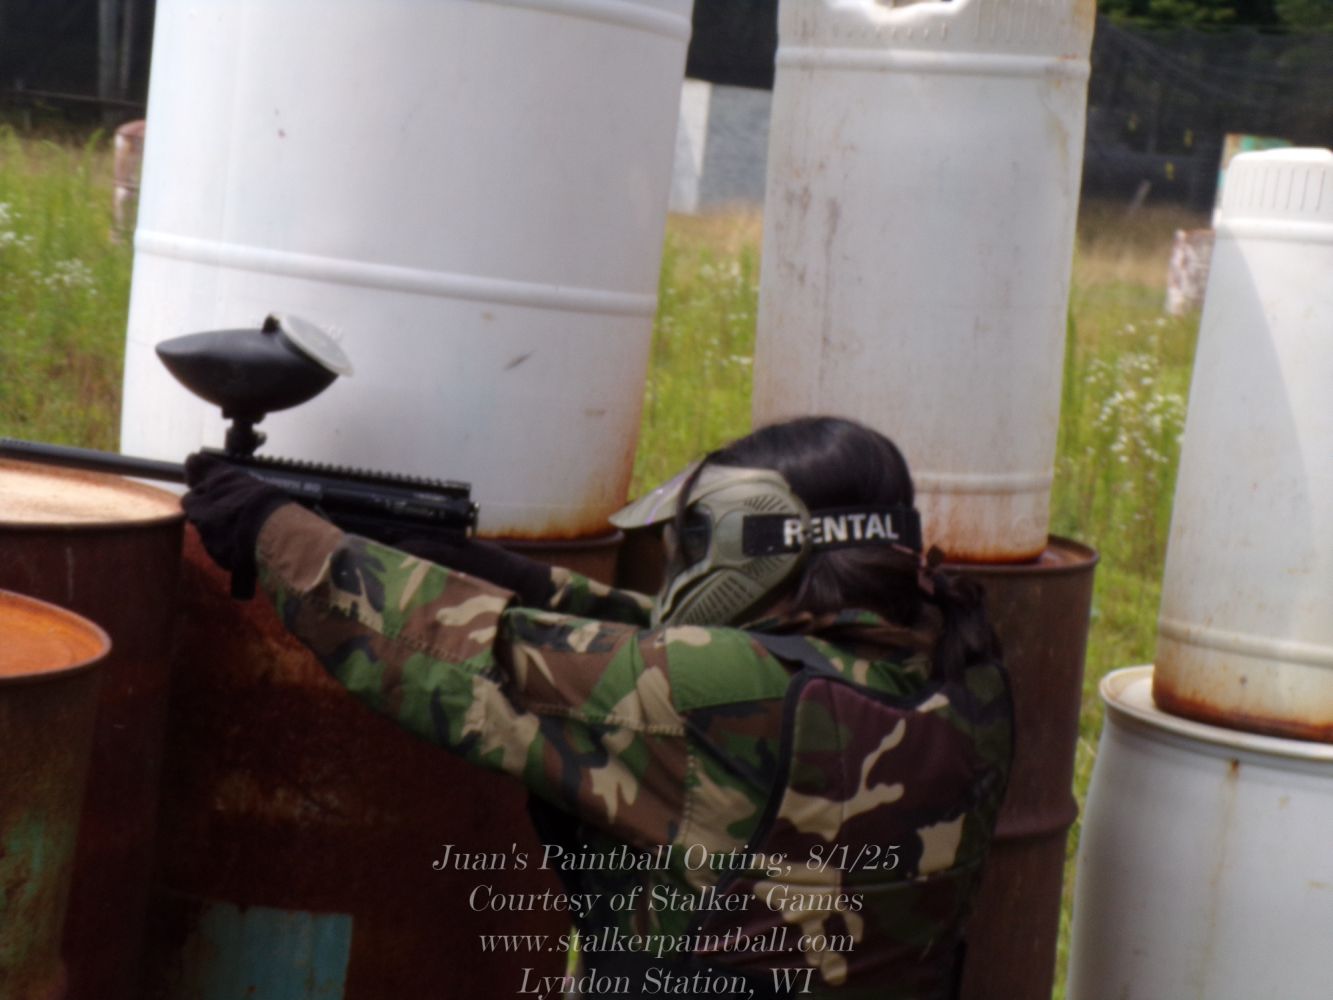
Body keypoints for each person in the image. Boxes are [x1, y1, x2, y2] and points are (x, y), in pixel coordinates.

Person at [183, 415, 1012, 1000]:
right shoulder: (961, 673)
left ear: (751, 545)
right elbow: (678, 657)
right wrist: (509, 574)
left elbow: (462, 657)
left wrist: (272, 531)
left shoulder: (717, 694)